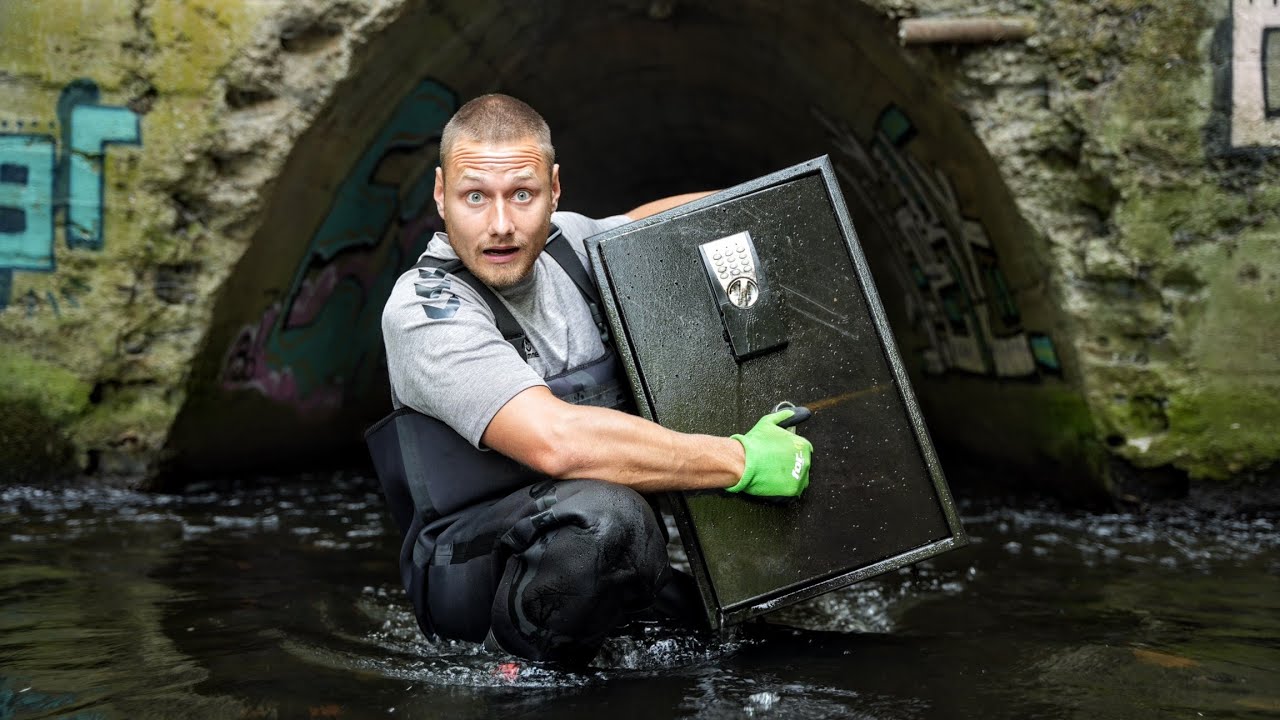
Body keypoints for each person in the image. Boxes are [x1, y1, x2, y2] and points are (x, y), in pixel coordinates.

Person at [375, 93, 813, 665]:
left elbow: (665, 226)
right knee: (607, 521)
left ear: (554, 191)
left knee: (743, 645)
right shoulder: (424, 310)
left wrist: (794, 204)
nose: (501, 224)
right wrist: (742, 462)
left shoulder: (575, 245)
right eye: (475, 197)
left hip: (592, 550)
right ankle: (512, 673)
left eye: (523, 195)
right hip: (472, 571)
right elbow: (554, 441)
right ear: (441, 195)